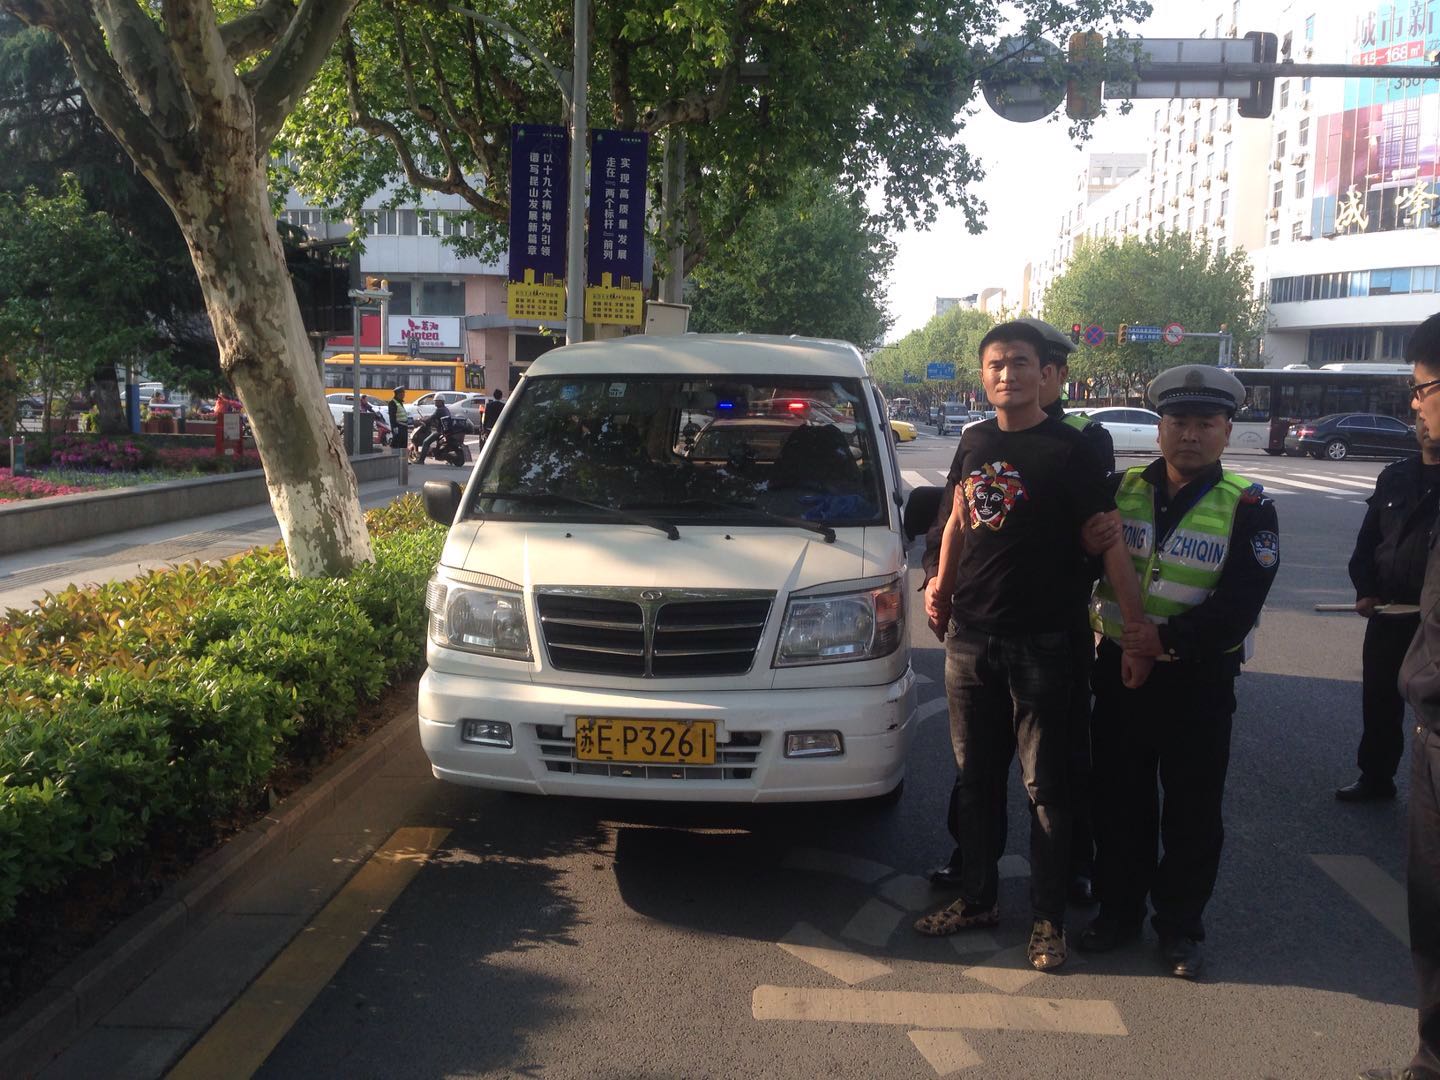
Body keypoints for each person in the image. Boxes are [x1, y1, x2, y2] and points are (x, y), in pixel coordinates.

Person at [913, 319, 1150, 973]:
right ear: (982, 375)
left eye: (1019, 363)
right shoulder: (973, 441)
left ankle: (1048, 919)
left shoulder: (1070, 449)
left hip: (1044, 641)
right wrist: (940, 589)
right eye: (996, 364)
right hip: (970, 638)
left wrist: (1136, 632)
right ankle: (977, 899)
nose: (1007, 374)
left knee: (1047, 787)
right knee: (976, 779)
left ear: (1044, 373)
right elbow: (957, 520)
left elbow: (1109, 540)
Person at [1078, 364, 1279, 981]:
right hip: (1117, 672)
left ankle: (1180, 928)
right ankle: (1117, 913)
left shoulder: (1247, 505)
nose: (1190, 434)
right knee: (1119, 800)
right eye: (1178, 422)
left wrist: (1164, 640)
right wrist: (1084, 546)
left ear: (1226, 432)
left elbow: (1239, 604)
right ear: (1160, 428)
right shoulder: (1118, 489)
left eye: (1205, 424)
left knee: (1193, 810)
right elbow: (1077, 568)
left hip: (1199, 682)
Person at [1365, 310, 1440, 1080]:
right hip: (1431, 722)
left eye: (1422, 389)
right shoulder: (1402, 479)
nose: (1415, 406)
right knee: (1431, 910)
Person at [1339, 420, 1440, 802]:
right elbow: (1368, 542)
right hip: (1391, 611)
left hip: (1436, 620)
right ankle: (1376, 777)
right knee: (1380, 699)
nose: (1425, 425)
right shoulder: (1395, 476)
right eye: (1420, 420)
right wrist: (1366, 590)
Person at [415, 396, 453, 463]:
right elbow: (434, 417)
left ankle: (421, 460)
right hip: (445, 430)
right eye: (435, 401)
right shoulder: (445, 409)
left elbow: (431, 418)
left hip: (440, 431)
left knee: (426, 442)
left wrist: (423, 420)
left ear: (441, 402)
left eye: (436, 401)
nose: (435, 402)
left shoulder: (439, 410)